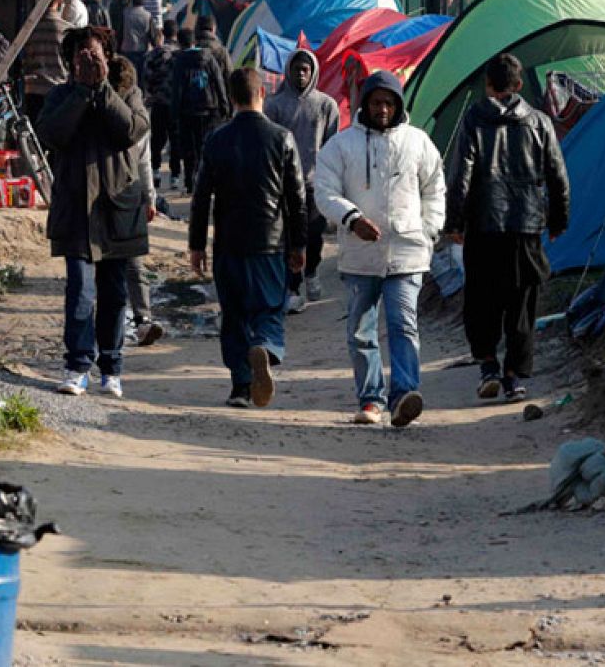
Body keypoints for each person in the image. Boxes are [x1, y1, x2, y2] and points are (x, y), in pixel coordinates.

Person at [316, 71, 445, 427]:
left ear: (398, 104)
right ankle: (371, 400)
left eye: (389, 103)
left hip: (407, 251)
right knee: (361, 330)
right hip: (360, 256)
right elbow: (324, 190)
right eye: (376, 102)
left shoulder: (418, 142)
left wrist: (430, 230)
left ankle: (404, 395)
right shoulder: (342, 146)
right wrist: (351, 218)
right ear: (366, 104)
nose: (383, 109)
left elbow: (435, 188)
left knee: (403, 323)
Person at [444, 54, 569, 402]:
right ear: (517, 85)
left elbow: (460, 177)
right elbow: (558, 176)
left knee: (481, 299)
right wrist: (558, 219)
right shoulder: (540, 122)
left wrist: (455, 222)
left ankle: (487, 363)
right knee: (522, 302)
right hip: (526, 225)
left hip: (483, 226)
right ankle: (514, 377)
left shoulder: (473, 119)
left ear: (488, 85)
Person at [37, 26, 151, 398]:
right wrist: (83, 93)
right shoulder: (61, 95)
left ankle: (112, 367)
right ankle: (77, 366)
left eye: (95, 55)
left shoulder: (127, 93)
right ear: (70, 62)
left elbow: (132, 130)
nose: (88, 61)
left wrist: (102, 90)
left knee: (115, 293)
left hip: (117, 209)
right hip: (75, 210)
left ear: (109, 56)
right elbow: (53, 134)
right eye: (81, 56)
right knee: (80, 291)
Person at [189, 67, 306, 409]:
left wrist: (197, 245)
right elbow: (296, 198)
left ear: (231, 98)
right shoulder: (281, 138)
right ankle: (266, 346)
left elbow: (201, 197)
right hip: (269, 242)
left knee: (234, 315)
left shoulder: (216, 139)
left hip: (228, 243)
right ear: (262, 95)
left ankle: (240, 386)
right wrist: (298, 245)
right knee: (270, 307)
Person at [262, 49, 340, 313]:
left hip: (315, 182)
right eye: (296, 69)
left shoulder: (326, 105)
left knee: (314, 234)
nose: (301, 74)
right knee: (289, 236)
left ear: (313, 72)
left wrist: (332, 179)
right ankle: (293, 288)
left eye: (306, 69)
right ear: (288, 71)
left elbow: (332, 144)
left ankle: (312, 272)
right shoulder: (274, 105)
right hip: (283, 183)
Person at [110, 56, 165, 348]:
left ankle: (126, 323)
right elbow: (144, 161)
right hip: (130, 194)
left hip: (108, 195)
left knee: (111, 266)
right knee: (133, 265)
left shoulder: (101, 107)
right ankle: (142, 320)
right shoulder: (139, 114)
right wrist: (149, 197)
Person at [171, 18, 232, 191]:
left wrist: (174, 112)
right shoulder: (218, 52)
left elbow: (177, 88)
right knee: (207, 146)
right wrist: (225, 105)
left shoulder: (181, 59)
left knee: (189, 148)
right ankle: (207, 181)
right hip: (210, 108)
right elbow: (222, 80)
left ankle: (190, 181)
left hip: (187, 110)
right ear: (213, 28)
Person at [19, 0, 72, 123]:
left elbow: (23, 56)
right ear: (59, 1)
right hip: (59, 89)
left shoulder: (29, 28)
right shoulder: (67, 30)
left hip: (33, 89)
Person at [141, 22, 181, 188]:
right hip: (175, 104)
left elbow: (146, 77)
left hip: (157, 102)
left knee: (157, 139)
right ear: (176, 34)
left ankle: (155, 171)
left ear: (163, 34)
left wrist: (152, 92)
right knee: (175, 139)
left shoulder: (153, 55)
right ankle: (175, 176)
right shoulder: (180, 54)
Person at [120, 0, 152, 67]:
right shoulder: (148, 15)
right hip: (142, 50)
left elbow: (120, 31)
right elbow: (151, 34)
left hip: (127, 48)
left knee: (127, 72)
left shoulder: (125, 13)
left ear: (132, 2)